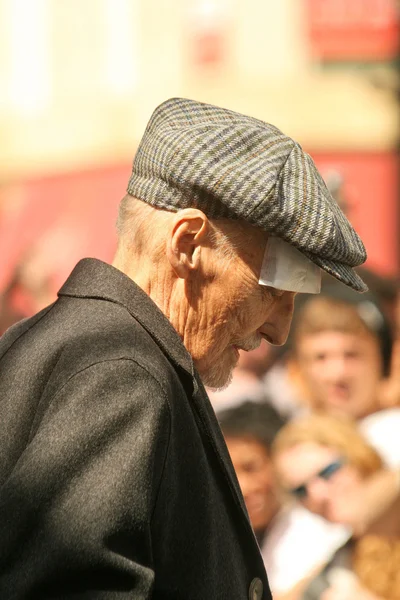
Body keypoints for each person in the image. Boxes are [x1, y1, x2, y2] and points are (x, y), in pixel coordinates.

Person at [0, 97, 367, 599]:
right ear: (188, 243)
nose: (281, 332)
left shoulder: (62, 346)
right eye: (274, 288)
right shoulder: (119, 370)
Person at [272, 414, 400, 600]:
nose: (317, 495)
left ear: (358, 456)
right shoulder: (345, 559)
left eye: (328, 472)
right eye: (301, 491)